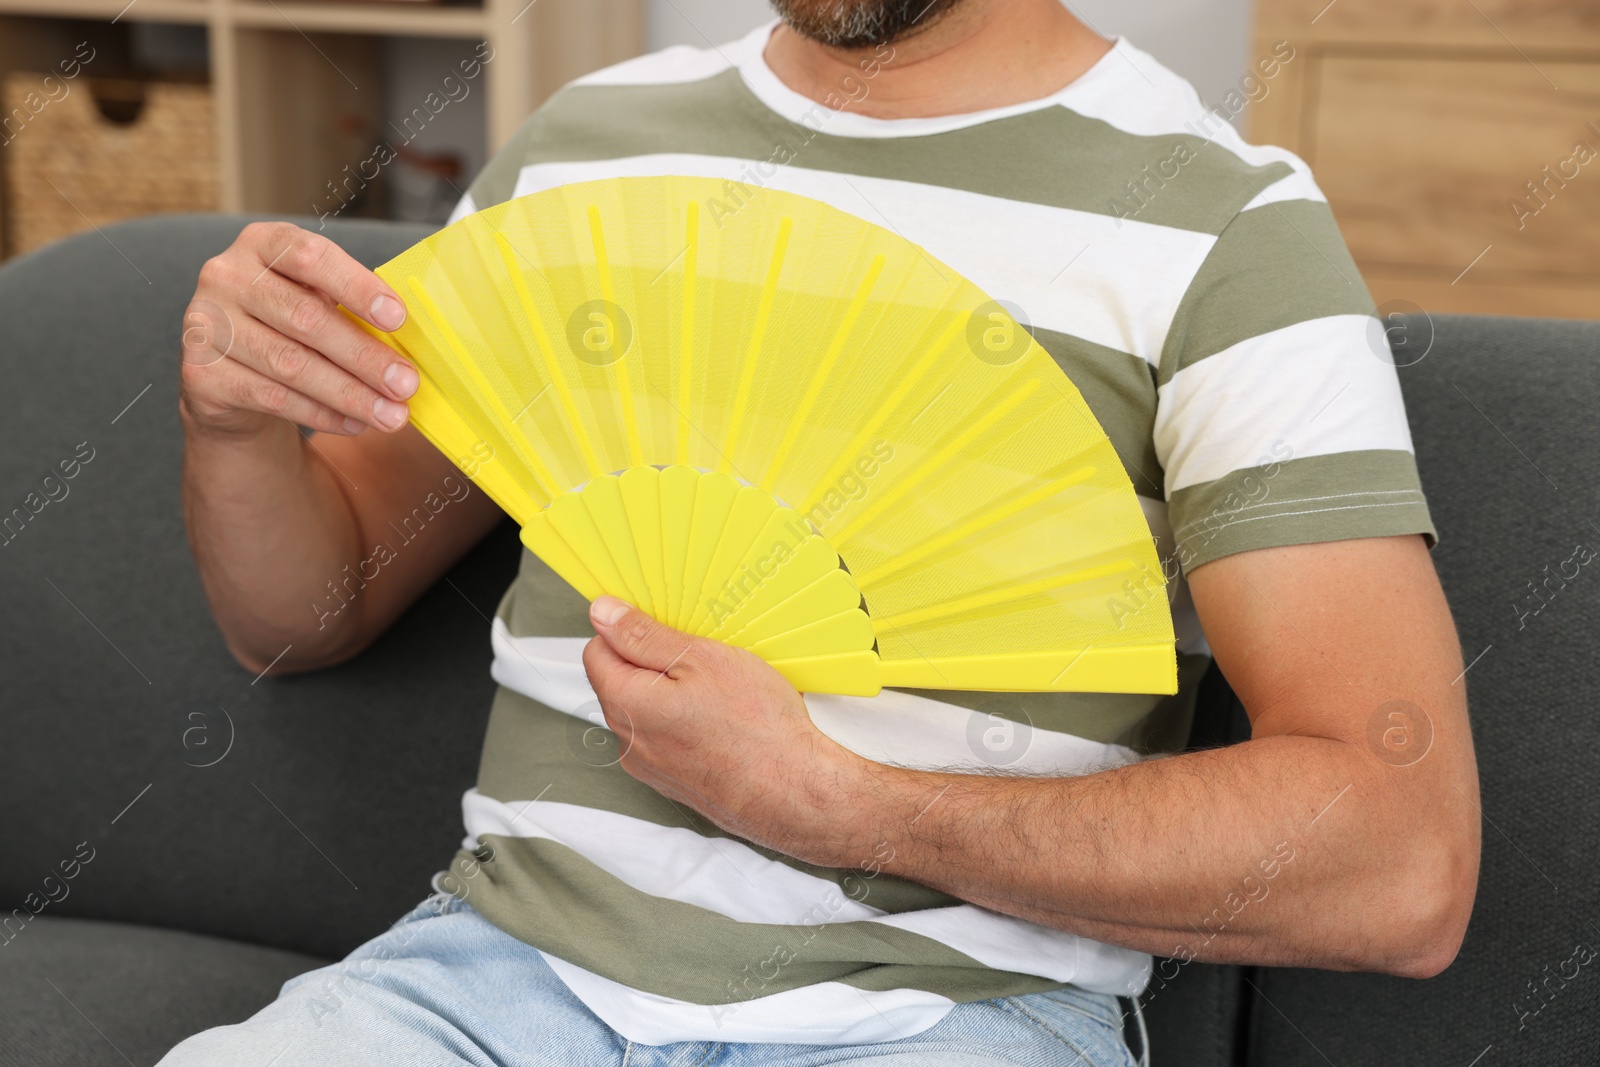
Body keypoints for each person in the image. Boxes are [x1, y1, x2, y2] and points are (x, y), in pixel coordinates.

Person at [162, 1, 1481, 1063]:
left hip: (945, 1022)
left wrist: (852, 810)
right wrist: (232, 428)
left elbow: (1399, 862)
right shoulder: (587, 143)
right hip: (490, 978)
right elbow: (303, 610)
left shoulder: (1227, 229)